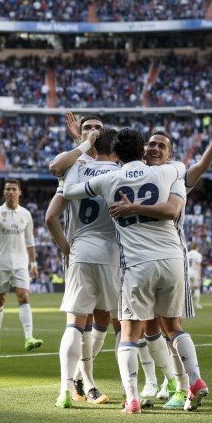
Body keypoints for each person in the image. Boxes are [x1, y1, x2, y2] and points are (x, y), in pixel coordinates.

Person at [65, 128, 208, 414]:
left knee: (129, 335)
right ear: (143, 149)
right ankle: (194, 379)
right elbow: (190, 167)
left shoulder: (108, 179)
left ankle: (131, 398)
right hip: (172, 261)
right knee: (174, 328)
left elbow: (70, 191)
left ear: (116, 154)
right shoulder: (169, 171)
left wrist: (82, 151)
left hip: (137, 265)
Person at [109, 115, 212, 409]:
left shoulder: (174, 175)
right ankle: (168, 383)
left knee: (168, 326)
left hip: (170, 256)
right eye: (150, 144)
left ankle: (184, 386)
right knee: (151, 328)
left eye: (161, 145)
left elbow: (200, 167)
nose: (154, 149)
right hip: (147, 261)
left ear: (170, 153)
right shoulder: (136, 176)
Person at [48, 126, 120, 408]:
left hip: (80, 251)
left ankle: (66, 387)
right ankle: (141, 387)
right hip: (111, 252)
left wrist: (68, 249)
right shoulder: (121, 171)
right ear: (116, 149)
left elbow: (51, 216)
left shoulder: (75, 169)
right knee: (122, 324)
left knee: (74, 325)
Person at [0, 179, 43, 352]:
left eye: (14, 189)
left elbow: (29, 240)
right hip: (1, 264)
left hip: (21, 264)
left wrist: (33, 263)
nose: (11, 192)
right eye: (8, 189)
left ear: (19, 192)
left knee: (23, 296)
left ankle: (29, 337)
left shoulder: (26, 214)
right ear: (4, 193)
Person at [186, 244, 203, 310]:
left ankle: (187, 305)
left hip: (188, 272)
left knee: (188, 289)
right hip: (195, 272)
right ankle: (197, 304)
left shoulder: (187, 254)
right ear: (197, 247)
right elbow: (198, 265)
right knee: (197, 288)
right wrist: (199, 275)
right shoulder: (198, 254)